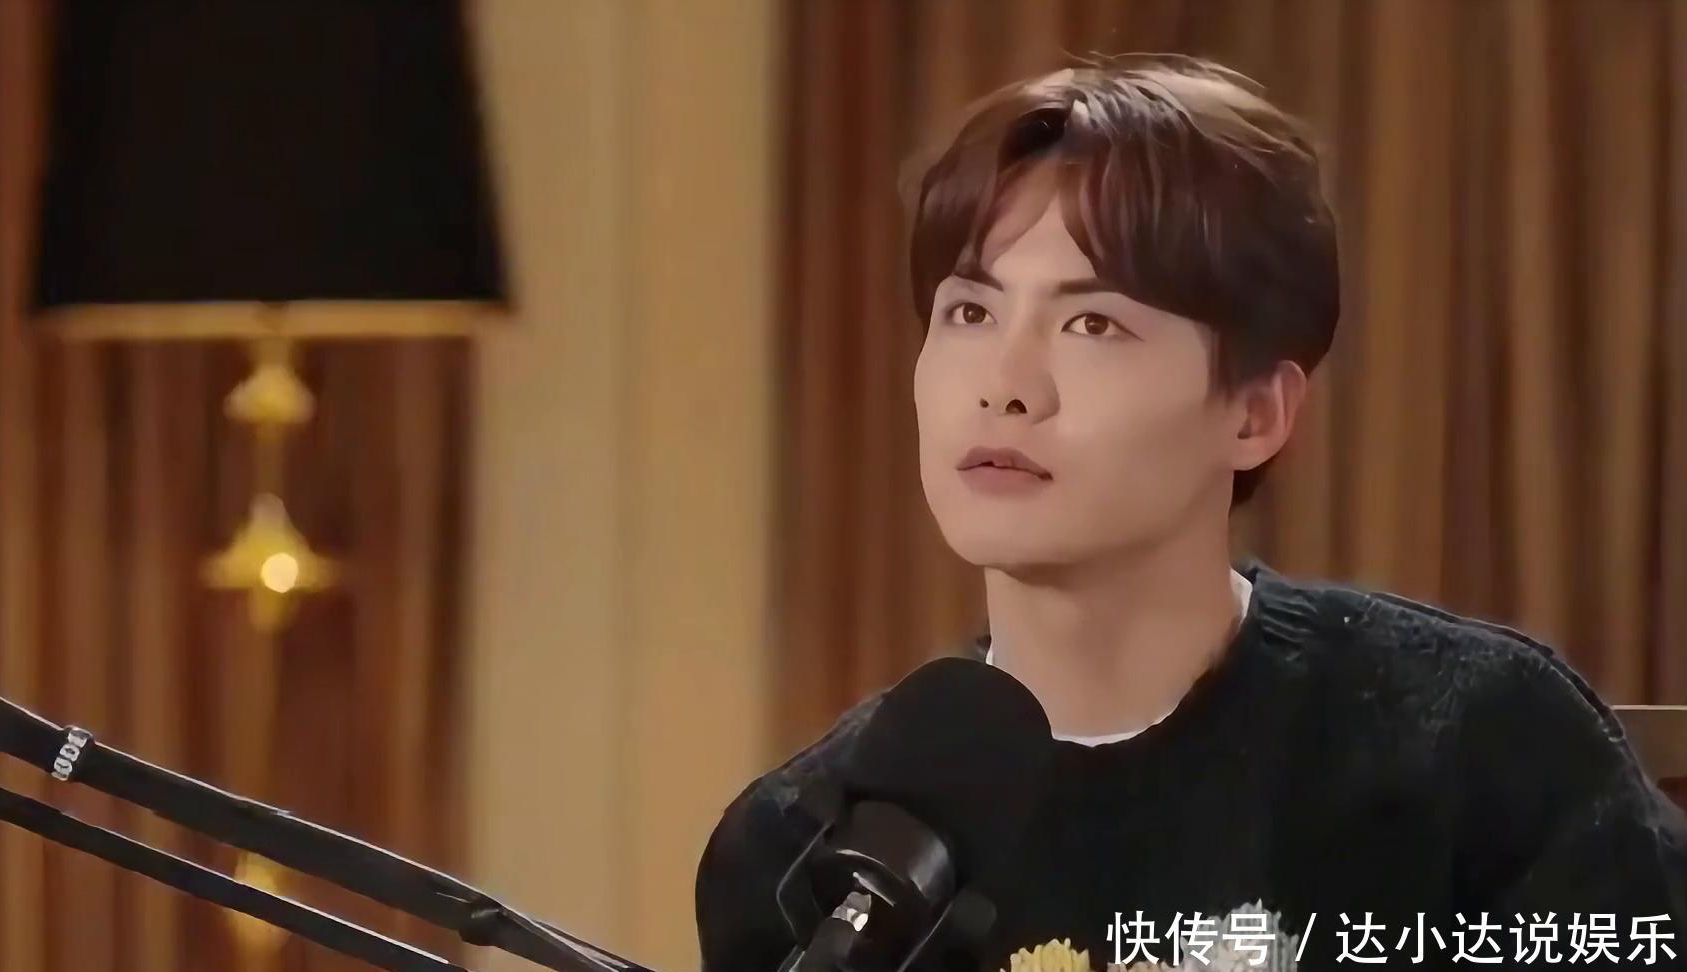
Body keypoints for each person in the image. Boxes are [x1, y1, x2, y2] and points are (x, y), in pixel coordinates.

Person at [694, 56, 1687, 972]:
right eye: (970, 312)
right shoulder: (804, 853)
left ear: (1254, 414)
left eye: (1094, 323)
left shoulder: (1478, 745)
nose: (1004, 384)